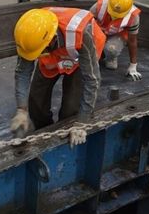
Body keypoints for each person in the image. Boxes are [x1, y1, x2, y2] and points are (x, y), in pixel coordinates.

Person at [10, 7, 106, 136]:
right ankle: (44, 131)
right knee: (36, 103)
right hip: (51, 54)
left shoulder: (81, 34)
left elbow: (92, 80)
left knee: (71, 109)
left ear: (52, 39)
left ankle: (67, 128)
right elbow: (22, 73)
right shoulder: (31, 35)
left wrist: (82, 122)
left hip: (80, 55)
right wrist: (22, 109)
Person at [89, 0, 142, 81]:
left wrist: (133, 66)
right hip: (97, 32)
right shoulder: (98, 6)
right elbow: (85, 27)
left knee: (111, 49)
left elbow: (132, 40)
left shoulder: (133, 17)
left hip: (116, 36)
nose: (115, 16)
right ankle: (95, 55)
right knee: (90, 54)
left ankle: (110, 58)